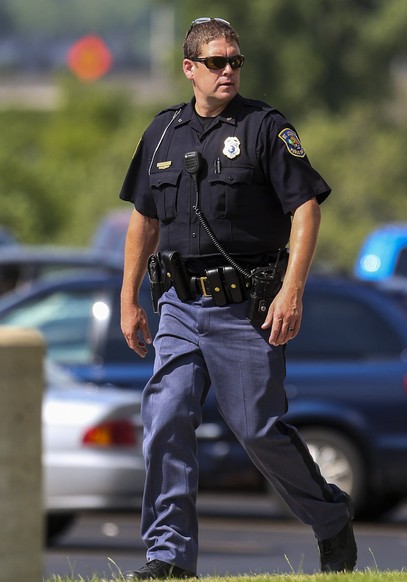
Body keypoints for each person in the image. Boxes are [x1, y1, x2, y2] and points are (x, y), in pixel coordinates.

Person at [118, 17, 355, 579]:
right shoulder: (162, 133)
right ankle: (169, 557)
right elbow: (143, 218)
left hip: (242, 307)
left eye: (235, 62)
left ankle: (330, 518)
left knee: (256, 430)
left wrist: (292, 290)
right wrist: (128, 298)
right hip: (177, 304)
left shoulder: (264, 128)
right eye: (217, 62)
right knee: (167, 416)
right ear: (190, 69)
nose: (228, 71)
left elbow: (306, 208)